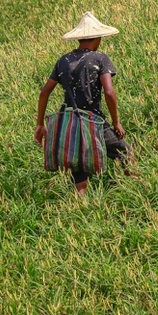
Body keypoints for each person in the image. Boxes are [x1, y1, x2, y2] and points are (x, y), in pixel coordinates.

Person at [34, 11, 135, 196]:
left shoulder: (63, 61)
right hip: (95, 123)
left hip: (71, 125)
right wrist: (116, 122)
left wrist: (40, 124)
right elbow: (109, 92)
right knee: (126, 152)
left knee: (80, 176)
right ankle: (135, 191)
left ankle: (80, 212)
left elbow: (44, 92)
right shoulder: (101, 58)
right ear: (97, 37)